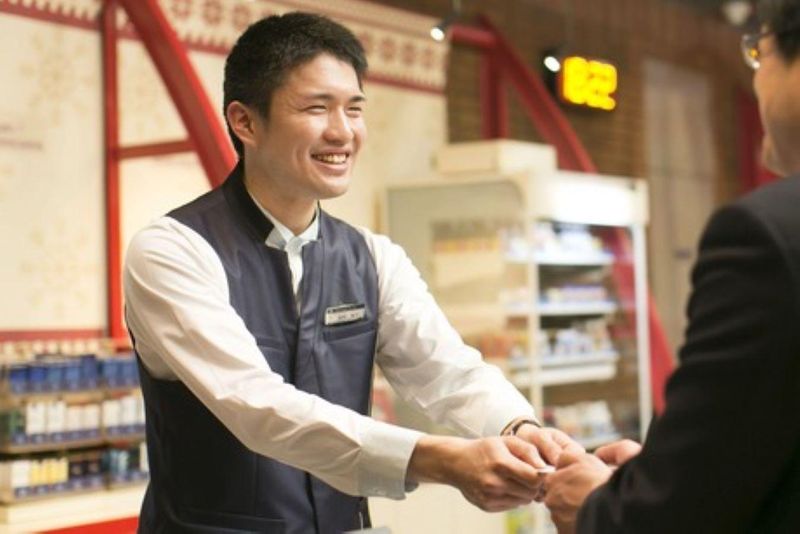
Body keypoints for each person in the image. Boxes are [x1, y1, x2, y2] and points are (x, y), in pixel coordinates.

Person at [124, 12, 582, 533]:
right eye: (316, 108)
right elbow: (257, 407)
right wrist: (441, 459)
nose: (342, 132)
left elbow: (447, 370)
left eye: (354, 108)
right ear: (245, 122)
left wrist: (519, 428)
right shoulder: (173, 251)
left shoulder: (372, 256)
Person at [542, 0, 800, 532]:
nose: (756, 80)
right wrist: (661, 470)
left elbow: (679, 512)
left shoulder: (767, 236)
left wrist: (597, 505)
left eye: (759, 53)